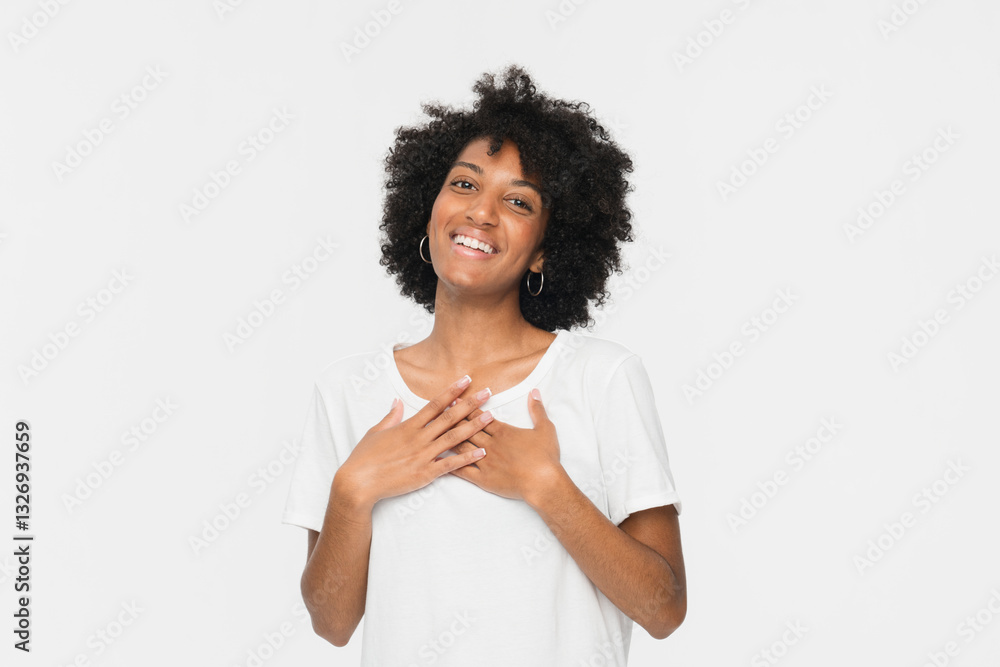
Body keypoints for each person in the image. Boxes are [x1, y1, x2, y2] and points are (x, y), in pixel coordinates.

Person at [281, 64, 686, 666]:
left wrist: (545, 485)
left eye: (518, 201)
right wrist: (353, 489)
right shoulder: (348, 390)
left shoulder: (601, 379)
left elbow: (663, 609)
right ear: (428, 209)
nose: (481, 214)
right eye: (465, 185)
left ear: (547, 250)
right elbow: (332, 623)